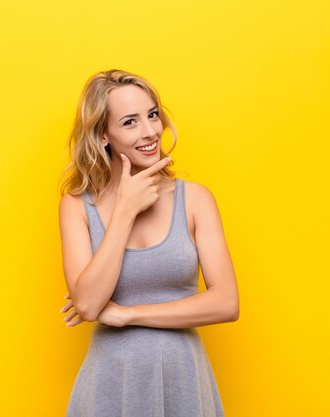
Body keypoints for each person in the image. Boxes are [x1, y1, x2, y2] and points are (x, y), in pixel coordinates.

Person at [57, 69, 239, 417]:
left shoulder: (196, 199)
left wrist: (129, 314)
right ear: (103, 135)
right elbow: (90, 305)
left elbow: (226, 302)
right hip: (111, 382)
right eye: (130, 122)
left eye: (153, 115)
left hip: (183, 376)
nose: (150, 131)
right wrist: (125, 211)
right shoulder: (77, 206)